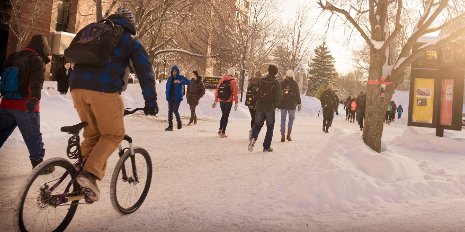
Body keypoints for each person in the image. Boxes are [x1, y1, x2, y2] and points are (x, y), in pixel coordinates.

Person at [69, 8, 158, 202]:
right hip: (103, 90)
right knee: (113, 134)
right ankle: (89, 175)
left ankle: (78, 176)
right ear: (130, 24)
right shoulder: (128, 40)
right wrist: (151, 102)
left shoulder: (93, 32)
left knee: (93, 135)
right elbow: (145, 71)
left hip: (76, 89)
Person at [0, 34, 54, 174]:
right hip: (25, 105)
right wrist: (35, 98)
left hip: (6, 103)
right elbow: (36, 81)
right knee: (33, 137)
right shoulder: (37, 60)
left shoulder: (13, 56)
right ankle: (39, 166)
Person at [248, 64, 282, 152]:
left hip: (259, 106)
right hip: (269, 108)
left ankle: (253, 139)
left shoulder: (261, 80)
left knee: (257, 125)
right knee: (270, 127)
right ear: (276, 73)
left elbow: (255, 90)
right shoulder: (276, 82)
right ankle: (266, 147)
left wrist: (257, 101)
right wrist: (275, 105)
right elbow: (279, 96)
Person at [213, 67, 239, 138]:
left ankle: (220, 130)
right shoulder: (233, 81)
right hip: (228, 100)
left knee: (223, 115)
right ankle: (223, 131)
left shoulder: (222, 79)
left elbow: (217, 90)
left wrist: (216, 100)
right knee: (226, 116)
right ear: (233, 73)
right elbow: (235, 93)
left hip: (221, 100)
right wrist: (236, 103)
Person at [278, 70, 301, 142]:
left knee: (283, 120)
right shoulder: (294, 83)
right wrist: (299, 103)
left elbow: (279, 94)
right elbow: (297, 94)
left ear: (286, 75)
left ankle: (282, 135)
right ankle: (288, 135)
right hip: (292, 105)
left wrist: (278, 104)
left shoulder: (282, 83)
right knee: (291, 120)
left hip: (283, 104)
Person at [165, 66, 191, 131]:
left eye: (175, 71)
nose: (174, 72)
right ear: (172, 71)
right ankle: (170, 126)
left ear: (177, 71)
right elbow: (167, 86)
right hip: (170, 97)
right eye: (173, 71)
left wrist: (180, 82)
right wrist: (167, 94)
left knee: (175, 110)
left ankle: (179, 122)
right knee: (170, 111)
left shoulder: (180, 77)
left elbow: (188, 82)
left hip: (177, 97)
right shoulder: (170, 78)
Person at [245, 70, 262, 138]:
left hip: (250, 103)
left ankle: (252, 131)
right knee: (257, 119)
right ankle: (253, 132)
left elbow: (247, 93)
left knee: (253, 118)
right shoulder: (261, 82)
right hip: (257, 103)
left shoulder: (250, 82)